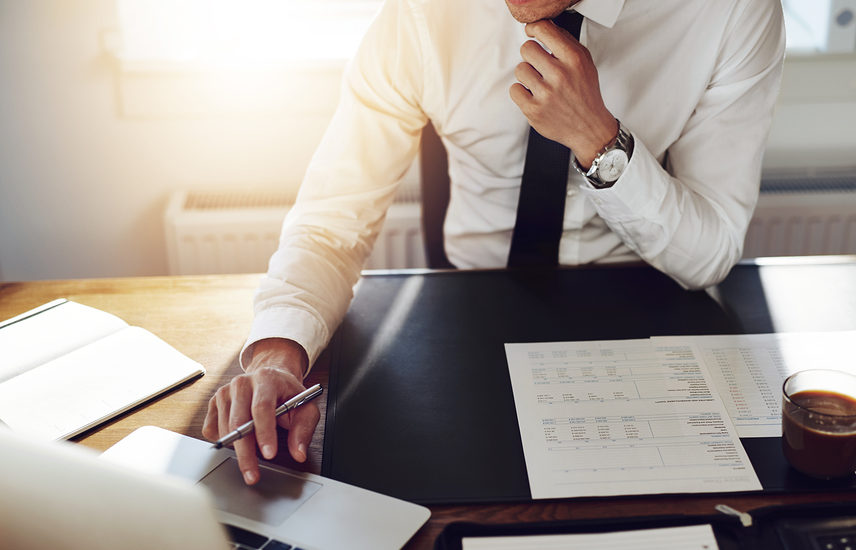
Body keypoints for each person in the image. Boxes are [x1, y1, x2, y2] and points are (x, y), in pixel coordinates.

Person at [203, 0, 786, 485]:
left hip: (647, 311)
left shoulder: (730, 11)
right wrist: (279, 352)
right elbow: (332, 220)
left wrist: (597, 140)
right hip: (463, 317)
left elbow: (709, 253)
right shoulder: (421, 14)